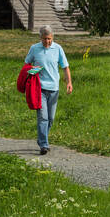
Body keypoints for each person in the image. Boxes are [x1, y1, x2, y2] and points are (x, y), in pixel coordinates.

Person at [25, 25, 72, 155]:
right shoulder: (34, 49)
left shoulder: (58, 49)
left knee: (50, 118)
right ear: (40, 38)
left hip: (54, 88)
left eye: (49, 39)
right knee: (43, 117)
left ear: (53, 38)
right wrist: (35, 69)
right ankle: (44, 145)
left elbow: (65, 66)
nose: (47, 41)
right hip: (39, 88)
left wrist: (69, 82)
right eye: (45, 39)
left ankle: (42, 138)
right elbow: (27, 66)